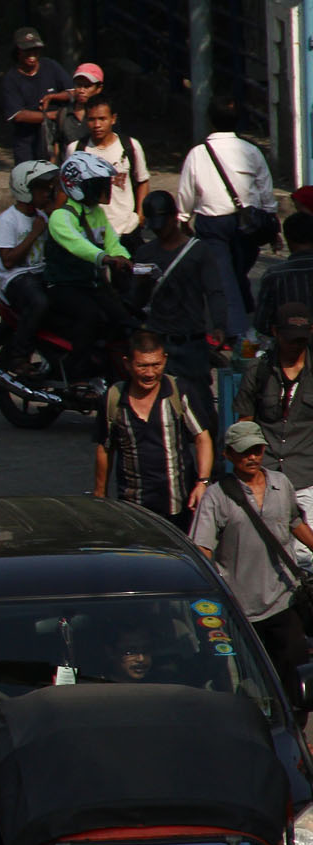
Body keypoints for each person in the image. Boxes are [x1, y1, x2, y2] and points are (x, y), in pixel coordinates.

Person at [189, 419, 313, 710]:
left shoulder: (280, 484)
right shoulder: (216, 498)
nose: (252, 457)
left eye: (257, 450)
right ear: (229, 455)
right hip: (240, 608)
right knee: (247, 680)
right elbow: (203, 548)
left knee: (295, 673)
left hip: (283, 598)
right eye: (244, 452)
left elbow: (295, 522)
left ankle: (295, 731)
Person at [178, 97, 279, 337]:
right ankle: (243, 319)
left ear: (210, 120)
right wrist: (273, 223)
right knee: (235, 271)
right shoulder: (251, 151)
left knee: (225, 276)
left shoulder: (197, 154)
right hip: (250, 223)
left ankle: (238, 332)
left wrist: (183, 218)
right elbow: (265, 189)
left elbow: (187, 191)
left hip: (212, 223)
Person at [94, 331, 212, 530]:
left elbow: (202, 437)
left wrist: (203, 482)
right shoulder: (113, 398)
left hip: (179, 509)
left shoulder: (178, 392)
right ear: (127, 364)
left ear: (164, 360)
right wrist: (100, 495)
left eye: (156, 365)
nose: (150, 373)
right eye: (142, 366)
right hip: (133, 510)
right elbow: (105, 448)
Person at [131, 189, 227, 409]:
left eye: (162, 225)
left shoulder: (198, 251)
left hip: (190, 342)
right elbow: (136, 300)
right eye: (154, 227)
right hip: (158, 341)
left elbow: (215, 291)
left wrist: (220, 325)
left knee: (200, 405)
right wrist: (142, 281)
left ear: (175, 218)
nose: (159, 231)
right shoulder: (145, 253)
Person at [234, 301, 313, 567]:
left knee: (306, 558)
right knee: (264, 559)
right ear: (275, 333)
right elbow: (243, 428)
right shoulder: (257, 372)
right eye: (291, 340)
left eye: (302, 340)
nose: (296, 346)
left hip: (307, 482)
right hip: (264, 482)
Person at [44, 150, 133, 369]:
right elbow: (77, 244)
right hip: (64, 285)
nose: (103, 189)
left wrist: (123, 257)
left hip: (91, 284)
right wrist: (104, 258)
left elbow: (112, 240)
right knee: (90, 316)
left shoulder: (97, 213)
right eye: (97, 184)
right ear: (76, 185)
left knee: (126, 320)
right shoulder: (61, 216)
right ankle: (75, 370)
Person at [0, 160, 59, 377]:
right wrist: (34, 233)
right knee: (40, 302)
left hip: (41, 272)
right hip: (16, 278)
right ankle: (19, 356)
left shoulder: (42, 216)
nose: (47, 192)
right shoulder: (8, 220)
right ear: (25, 189)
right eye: (42, 188)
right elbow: (8, 261)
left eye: (49, 187)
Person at [60, 95, 148, 239]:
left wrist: (139, 215)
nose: (97, 125)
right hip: (90, 231)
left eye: (102, 119)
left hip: (126, 229)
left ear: (113, 119)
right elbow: (67, 188)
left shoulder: (130, 146)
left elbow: (142, 181)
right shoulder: (76, 150)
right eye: (91, 119)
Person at [0, 26, 72, 165]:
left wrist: (53, 97)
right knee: (30, 179)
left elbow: (72, 92)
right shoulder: (11, 79)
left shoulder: (51, 66)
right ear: (18, 52)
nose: (32, 54)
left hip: (55, 138)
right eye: (27, 50)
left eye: (35, 50)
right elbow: (17, 115)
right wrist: (50, 116)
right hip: (27, 142)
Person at [257, 212, 313, 338]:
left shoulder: (275, 275)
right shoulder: (276, 275)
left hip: (289, 344)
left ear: (289, 240)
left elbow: (262, 324)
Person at [49, 61, 104, 155]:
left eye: (87, 86)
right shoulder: (64, 113)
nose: (82, 90)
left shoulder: (104, 115)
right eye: (79, 85)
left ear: (98, 88)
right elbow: (57, 148)